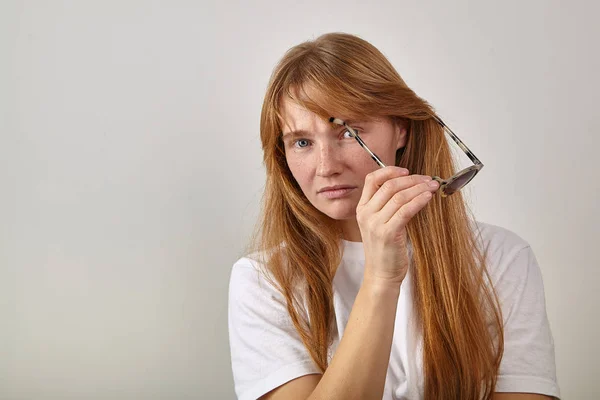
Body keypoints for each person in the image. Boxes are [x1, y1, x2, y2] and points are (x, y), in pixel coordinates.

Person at [227, 32, 560, 400]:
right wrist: (381, 280)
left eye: (349, 133)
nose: (326, 167)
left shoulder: (502, 259)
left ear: (400, 129)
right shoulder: (262, 283)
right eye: (302, 142)